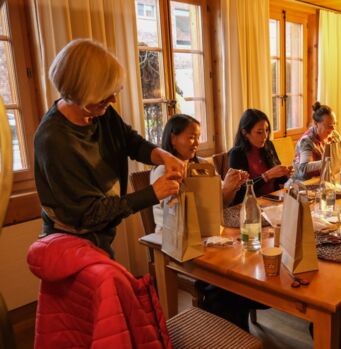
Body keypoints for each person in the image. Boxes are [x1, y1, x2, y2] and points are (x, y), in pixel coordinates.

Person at [34, 39, 184, 259]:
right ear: (82, 92)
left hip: (100, 236)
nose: (113, 99)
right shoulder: (54, 141)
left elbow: (131, 142)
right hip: (71, 244)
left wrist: (163, 155)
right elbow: (90, 214)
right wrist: (152, 194)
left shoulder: (98, 112)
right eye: (106, 94)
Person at [150, 114, 248, 234]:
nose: (197, 143)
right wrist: (222, 191)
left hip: (204, 231)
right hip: (172, 237)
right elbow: (177, 214)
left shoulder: (203, 165)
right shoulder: (163, 171)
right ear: (173, 139)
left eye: (198, 137)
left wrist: (231, 188)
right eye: (191, 137)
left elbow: (222, 204)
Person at [228, 109, 290, 205]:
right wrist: (266, 176)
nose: (265, 136)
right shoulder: (236, 154)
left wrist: (286, 174)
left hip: (272, 201)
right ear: (245, 132)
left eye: (266, 130)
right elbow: (240, 192)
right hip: (251, 205)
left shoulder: (268, 146)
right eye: (259, 132)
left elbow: (278, 179)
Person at [294, 101, 341, 179]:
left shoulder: (334, 135)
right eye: (329, 125)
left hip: (330, 179)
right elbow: (304, 168)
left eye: (334, 124)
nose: (333, 128)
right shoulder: (307, 141)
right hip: (308, 184)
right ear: (316, 124)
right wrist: (327, 162)